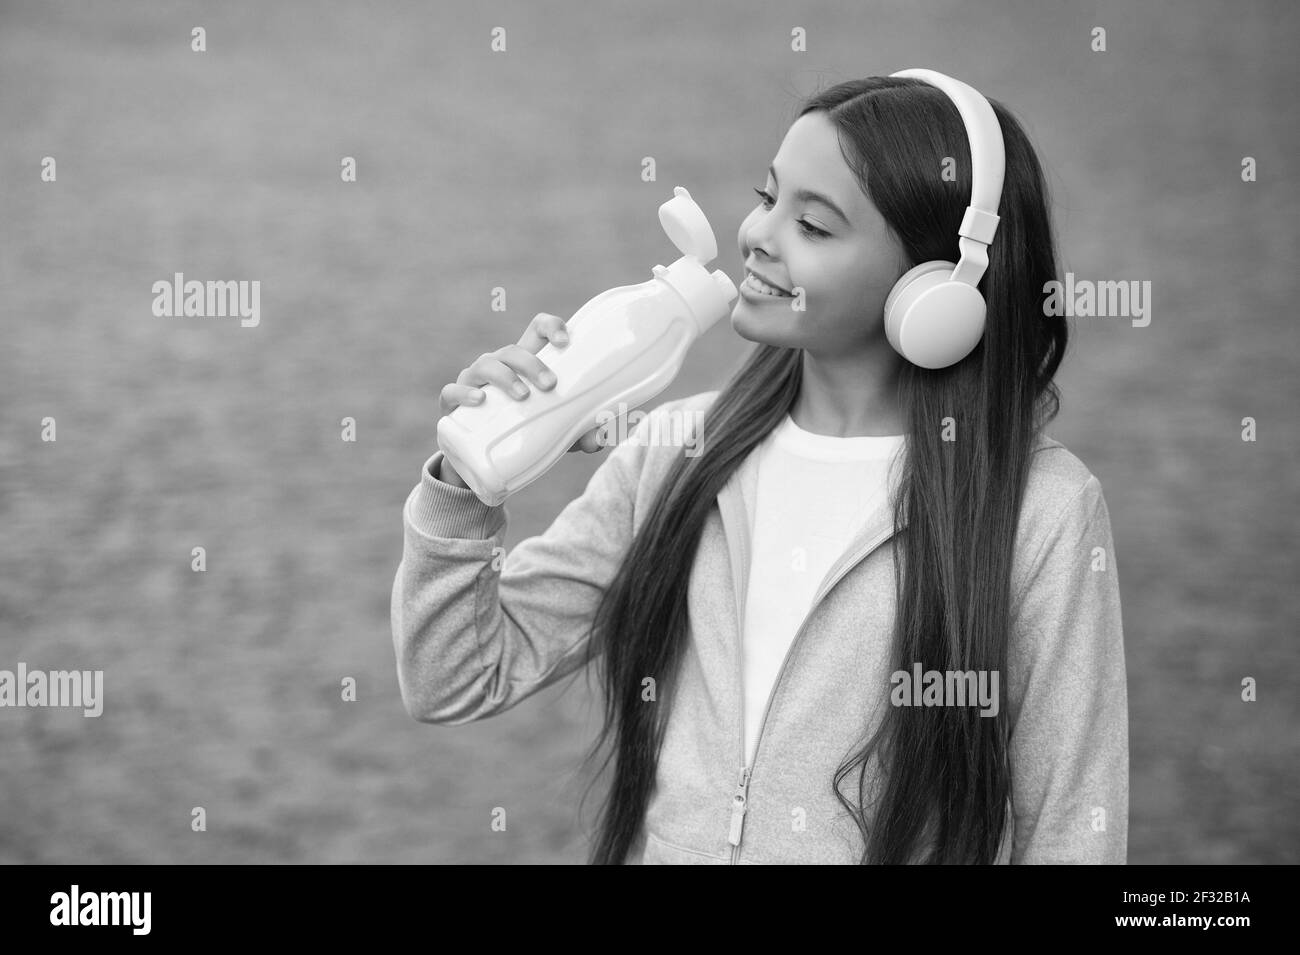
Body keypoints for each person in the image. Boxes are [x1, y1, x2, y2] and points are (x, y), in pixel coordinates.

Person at [391, 72, 1129, 864]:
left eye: (811, 224)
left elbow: (1072, 827)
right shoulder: (680, 448)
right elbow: (455, 677)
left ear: (935, 288)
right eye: (766, 196)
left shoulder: (1041, 509)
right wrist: (470, 481)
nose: (756, 235)